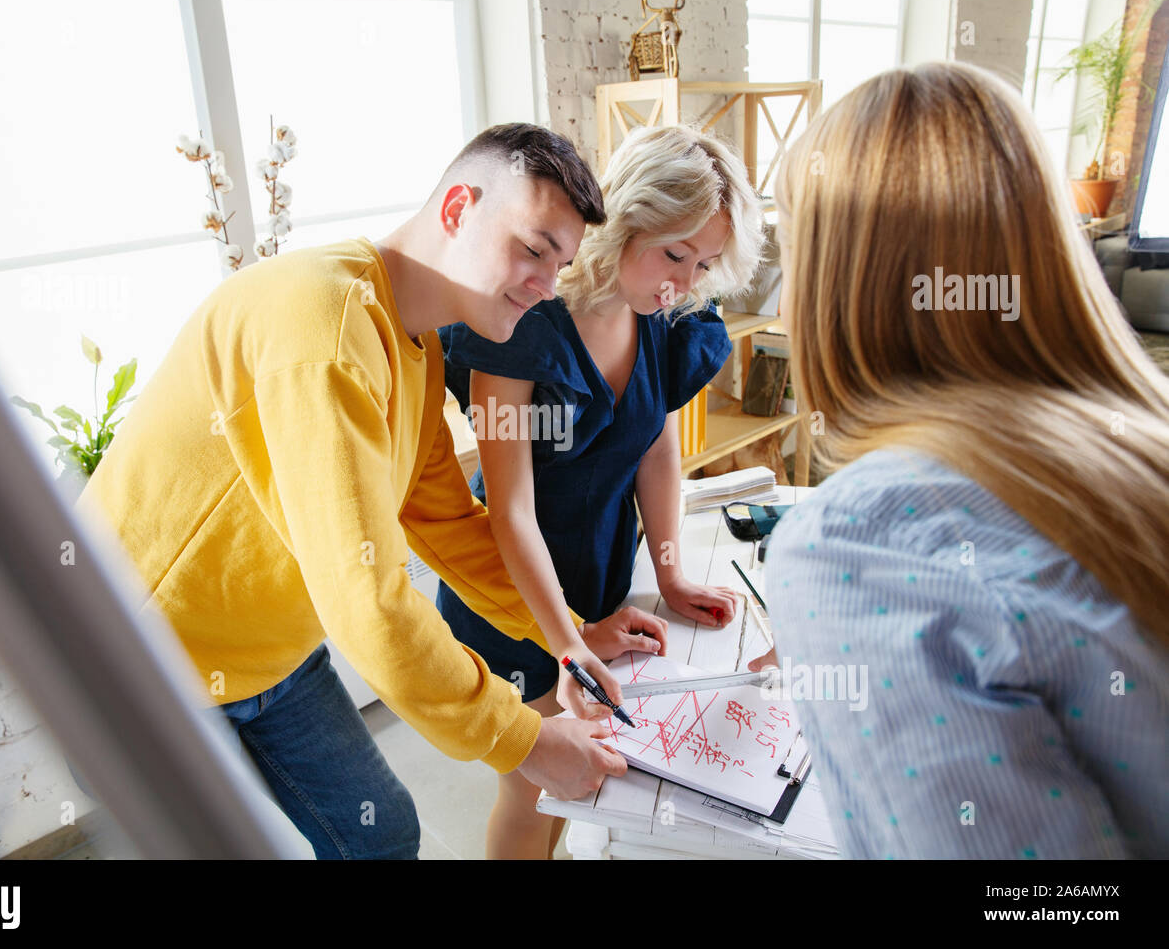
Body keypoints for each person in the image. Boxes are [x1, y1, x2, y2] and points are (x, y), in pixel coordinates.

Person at [78, 123, 669, 859]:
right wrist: (526, 742)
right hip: (138, 664)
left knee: (382, 835)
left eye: (562, 266)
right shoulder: (324, 325)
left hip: (272, 653)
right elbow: (370, 602)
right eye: (533, 250)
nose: (547, 286)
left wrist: (570, 637)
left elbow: (450, 524)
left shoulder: (410, 347)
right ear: (457, 209)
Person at [763, 61, 1169, 858]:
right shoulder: (1138, 446)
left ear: (840, 282)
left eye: (792, 253)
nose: (782, 301)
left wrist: (856, 616)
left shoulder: (857, 544)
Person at [436, 124, 766, 858]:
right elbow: (509, 509)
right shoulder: (520, 320)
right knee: (535, 788)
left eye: (704, 263)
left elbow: (653, 442)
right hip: (515, 603)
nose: (684, 279)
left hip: (599, 585)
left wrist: (672, 570)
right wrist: (567, 645)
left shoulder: (664, 318)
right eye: (673, 253)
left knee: (587, 782)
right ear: (624, 220)